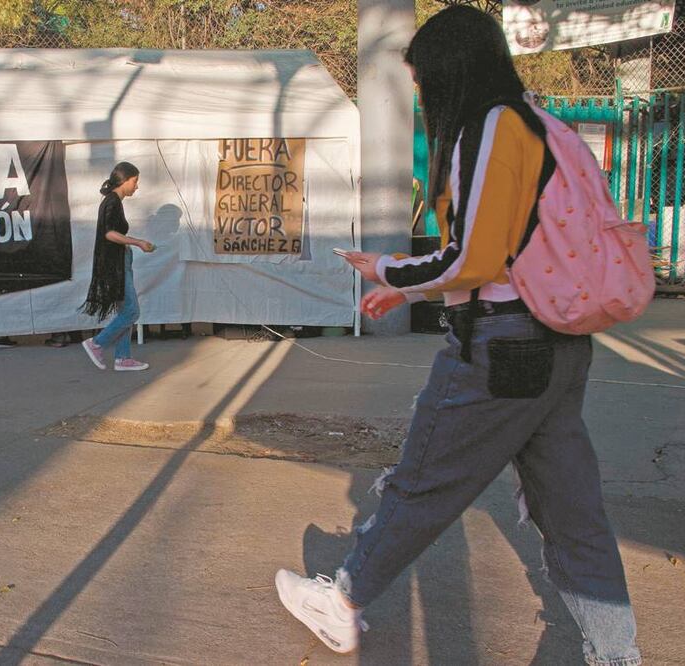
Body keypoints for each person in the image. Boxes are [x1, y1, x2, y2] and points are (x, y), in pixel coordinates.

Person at [274, 7, 642, 665]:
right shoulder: (550, 127)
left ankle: (342, 604)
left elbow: (475, 258)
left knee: (421, 484)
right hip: (562, 346)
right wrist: (407, 287)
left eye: (423, 81)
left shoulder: (491, 128)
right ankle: (615, 654)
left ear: (451, 72)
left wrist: (389, 267)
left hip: (500, 347)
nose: (421, 95)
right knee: (573, 518)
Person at [80, 162, 155, 371]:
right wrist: (138, 242)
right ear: (124, 180)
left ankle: (123, 358)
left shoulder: (113, 201)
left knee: (125, 310)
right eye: (135, 181)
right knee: (132, 311)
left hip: (119, 260)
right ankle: (97, 343)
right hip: (115, 263)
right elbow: (109, 233)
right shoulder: (112, 201)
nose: (136, 186)